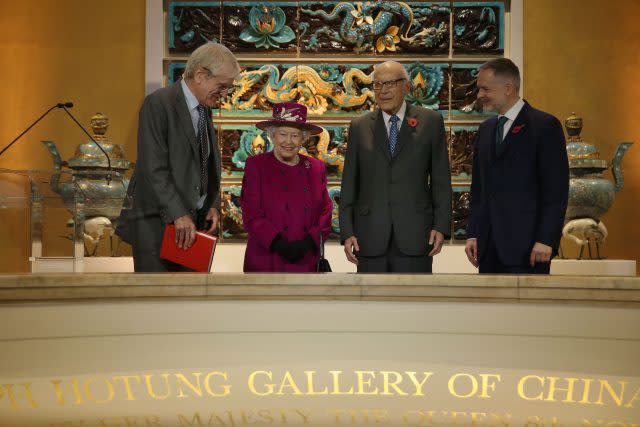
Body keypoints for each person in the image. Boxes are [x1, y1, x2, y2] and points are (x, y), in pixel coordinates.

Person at [116, 42, 240, 272]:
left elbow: (204, 162)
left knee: (189, 304)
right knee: (158, 303)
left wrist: (211, 203)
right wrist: (179, 214)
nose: (225, 94)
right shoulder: (158, 104)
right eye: (222, 86)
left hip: (193, 227)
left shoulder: (204, 109)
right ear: (201, 75)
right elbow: (153, 167)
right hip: (157, 225)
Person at [339, 61, 451, 273]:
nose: (383, 91)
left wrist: (441, 225)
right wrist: (347, 231)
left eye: (389, 84)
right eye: (377, 85)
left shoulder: (431, 121)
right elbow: (349, 184)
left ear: (406, 86)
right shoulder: (359, 126)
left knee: (413, 303)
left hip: (417, 234)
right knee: (372, 304)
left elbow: (440, 180)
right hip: (369, 235)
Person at [465, 58, 569, 274]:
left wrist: (546, 239)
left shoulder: (544, 126)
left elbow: (556, 191)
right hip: (488, 248)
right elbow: (478, 189)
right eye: (478, 89)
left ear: (508, 88)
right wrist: (473, 233)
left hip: (529, 248)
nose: (479, 95)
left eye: (485, 89)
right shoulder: (485, 129)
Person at [241, 102, 333, 272]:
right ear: (273, 136)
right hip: (267, 257)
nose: (288, 142)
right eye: (283, 134)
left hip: (306, 259)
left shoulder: (315, 168)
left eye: (295, 136)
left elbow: (325, 212)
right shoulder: (257, 165)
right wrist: (278, 243)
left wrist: (308, 242)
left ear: (303, 138)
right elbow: (251, 212)